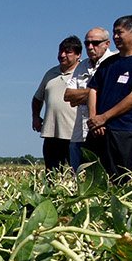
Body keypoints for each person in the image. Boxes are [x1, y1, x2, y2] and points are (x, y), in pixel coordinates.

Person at [86, 15, 132, 184]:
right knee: (93, 177)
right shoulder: (109, 63)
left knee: (120, 178)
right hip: (99, 130)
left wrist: (104, 117)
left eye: (119, 33)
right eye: (114, 33)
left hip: (124, 130)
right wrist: (95, 118)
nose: (115, 37)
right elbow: (93, 89)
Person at [64, 27, 114, 169]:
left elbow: (115, 94)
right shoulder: (82, 65)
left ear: (107, 44)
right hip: (80, 130)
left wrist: (83, 95)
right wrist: (95, 92)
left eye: (96, 43)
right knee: (77, 172)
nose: (90, 47)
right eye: (87, 43)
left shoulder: (114, 62)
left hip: (104, 129)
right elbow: (68, 95)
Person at [31, 36, 82, 171]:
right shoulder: (50, 73)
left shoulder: (84, 73)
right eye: (60, 51)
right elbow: (37, 98)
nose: (62, 55)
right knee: (51, 174)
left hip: (75, 135)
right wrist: (35, 117)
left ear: (78, 55)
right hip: (51, 134)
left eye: (67, 52)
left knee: (75, 174)